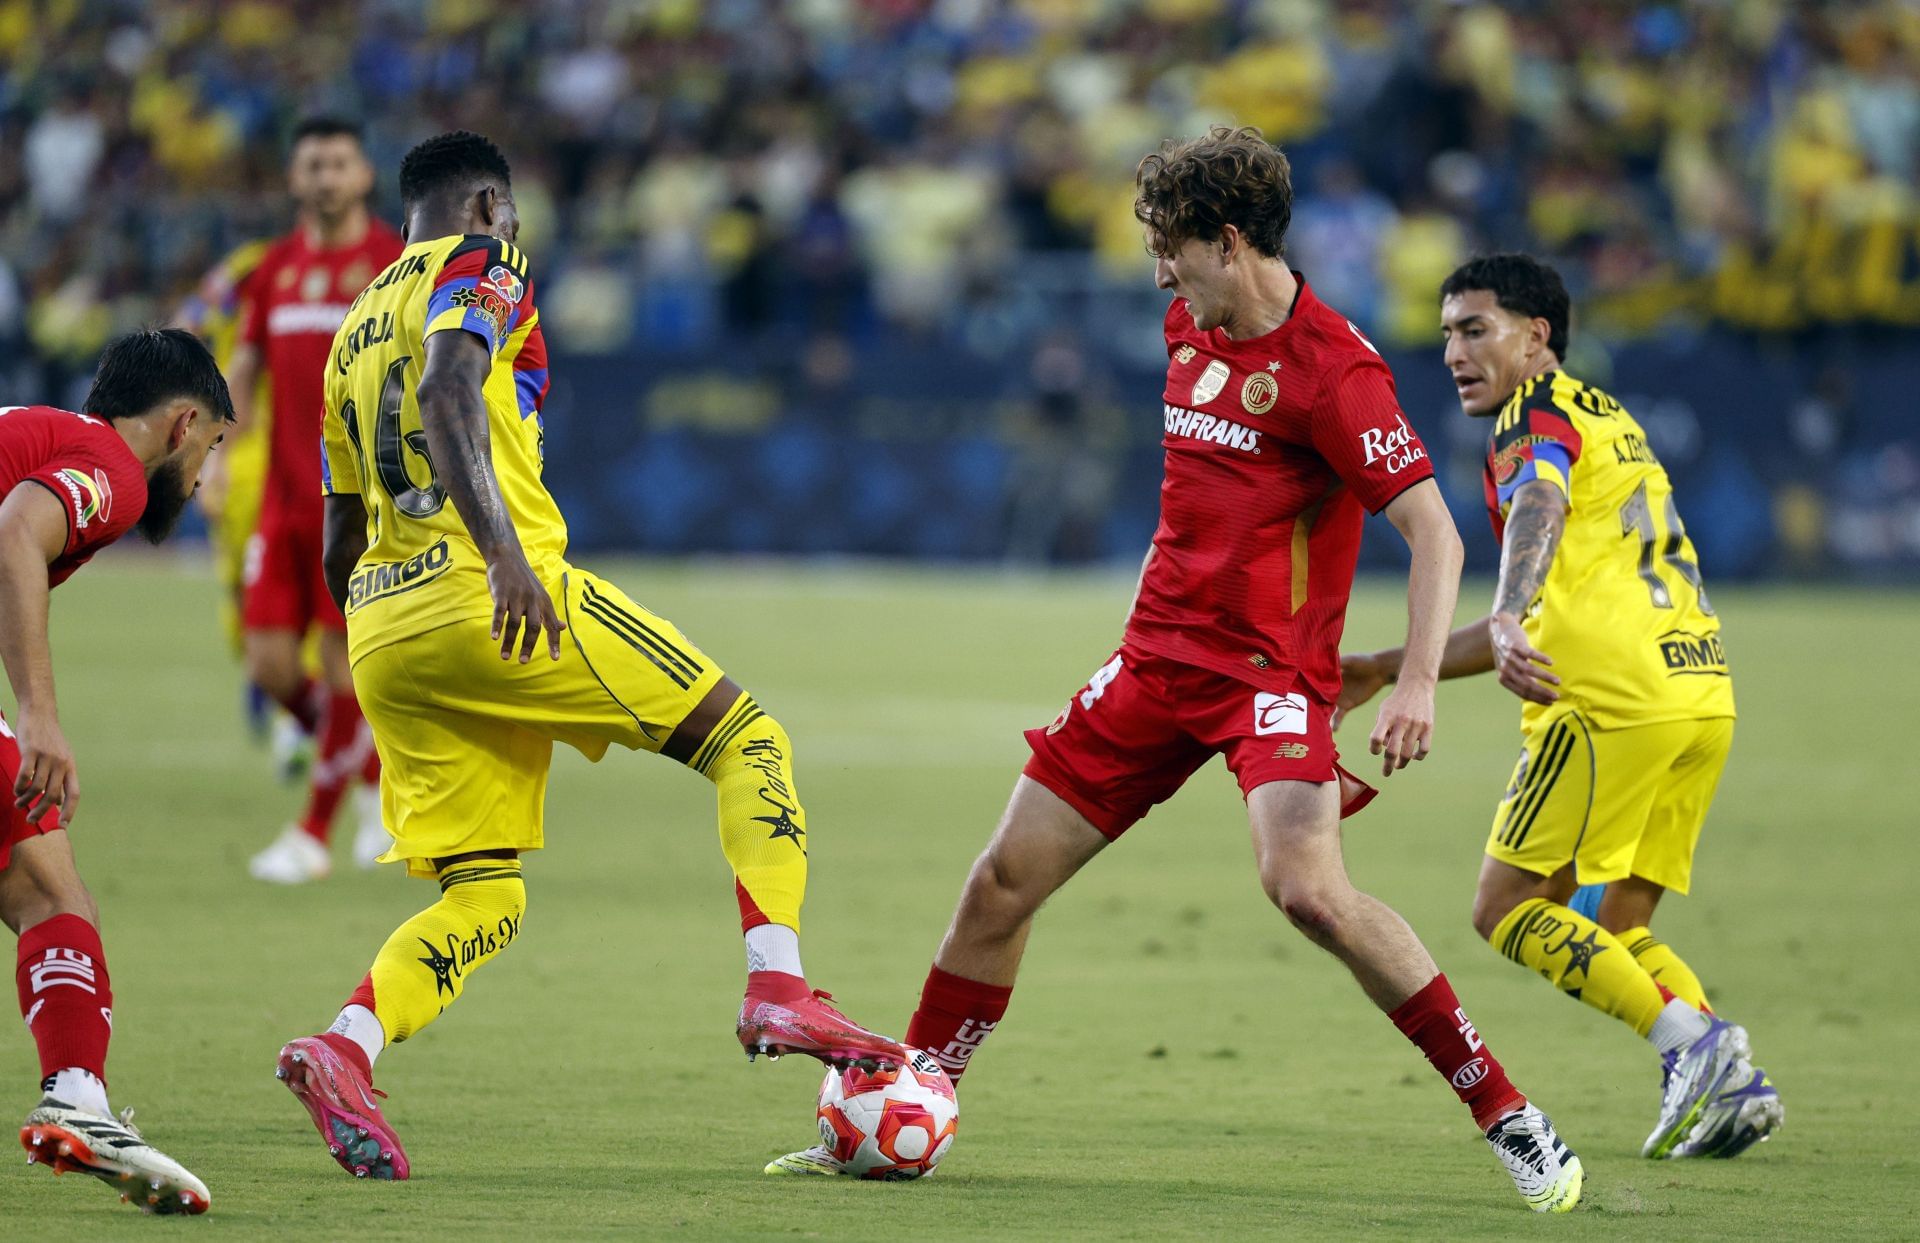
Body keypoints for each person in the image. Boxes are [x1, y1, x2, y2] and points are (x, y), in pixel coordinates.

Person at [770, 127, 1583, 1213]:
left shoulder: (1334, 372)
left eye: (1169, 248)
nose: (1157, 271)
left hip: (1270, 683)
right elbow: (1191, 506)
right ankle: (915, 1102)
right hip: (1154, 664)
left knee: (1309, 894)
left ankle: (1510, 1117)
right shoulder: (1184, 327)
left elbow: (1435, 534)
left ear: (1229, 242)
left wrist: (1419, 680)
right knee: (998, 886)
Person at [273, 131, 903, 1182]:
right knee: (746, 737)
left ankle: (345, 1046)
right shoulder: (486, 267)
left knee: (485, 895)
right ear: (485, 204)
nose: (520, 234)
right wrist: (504, 559)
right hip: (497, 598)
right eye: (513, 213)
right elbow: (445, 392)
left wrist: (388, 631)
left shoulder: (350, 328)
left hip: (384, 629)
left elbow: (339, 536)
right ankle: (778, 983)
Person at [1336, 253, 1783, 1159]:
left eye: (1476, 328)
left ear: (1537, 335)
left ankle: (1693, 1047)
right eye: (1448, 332)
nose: (1455, 350)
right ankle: (1731, 1081)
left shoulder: (1529, 419)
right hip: (1697, 693)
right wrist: (1392, 663)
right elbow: (1549, 603)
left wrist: (1500, 613)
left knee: (1506, 906)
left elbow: (1537, 503)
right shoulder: (1607, 415)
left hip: (1607, 704)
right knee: (1618, 923)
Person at [7, 329, 232, 1214]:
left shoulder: (47, 431)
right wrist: (39, 712)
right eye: (211, 445)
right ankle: (77, 1098)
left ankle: (79, 1096)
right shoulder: (115, 467)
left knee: (38, 874)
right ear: (180, 425)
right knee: (50, 896)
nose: (205, 476)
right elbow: (18, 531)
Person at [218, 117, 404, 883]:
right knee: (267, 663)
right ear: (295, 181)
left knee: (338, 661)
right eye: (312, 165)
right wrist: (221, 456)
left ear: (363, 176)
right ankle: (368, 779)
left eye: (338, 163)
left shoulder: (393, 262)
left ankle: (311, 834)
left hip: (359, 505)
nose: (325, 177)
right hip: (283, 499)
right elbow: (245, 364)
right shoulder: (273, 270)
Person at [175, 240, 284, 745]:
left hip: (243, 450)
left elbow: (182, 327)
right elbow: (186, 325)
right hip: (249, 448)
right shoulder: (265, 266)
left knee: (252, 577)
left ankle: (280, 695)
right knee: (258, 577)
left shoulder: (249, 267)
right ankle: (278, 691)